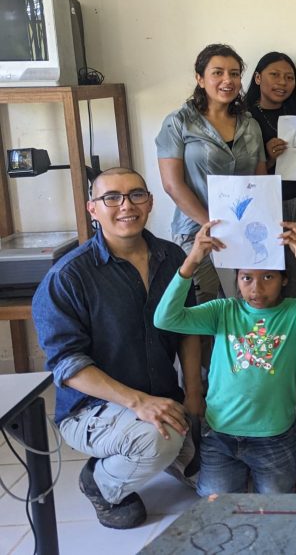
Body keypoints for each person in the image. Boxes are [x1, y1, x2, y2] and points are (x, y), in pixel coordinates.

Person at [32, 168, 203, 529]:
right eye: (112, 197)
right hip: (91, 410)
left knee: (222, 478)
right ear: (92, 209)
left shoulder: (172, 257)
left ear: (150, 202)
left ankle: (171, 449)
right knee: (160, 439)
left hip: (163, 397)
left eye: (136, 195)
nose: (126, 205)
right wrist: (139, 402)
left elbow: (189, 328)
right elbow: (68, 364)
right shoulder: (68, 277)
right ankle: (100, 483)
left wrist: (194, 395)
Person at [154, 219, 296, 495]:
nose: (256, 289)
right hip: (220, 434)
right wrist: (192, 260)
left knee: (277, 504)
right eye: (247, 278)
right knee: (216, 502)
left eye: (268, 277)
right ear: (237, 280)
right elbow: (165, 318)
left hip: (274, 436)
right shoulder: (223, 310)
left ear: (284, 279)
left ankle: (294, 445)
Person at [156, 44, 266, 302]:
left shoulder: (250, 125)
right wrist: (213, 226)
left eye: (235, 73)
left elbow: (260, 181)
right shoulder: (178, 122)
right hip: (197, 232)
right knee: (201, 309)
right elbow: (173, 185)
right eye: (218, 72)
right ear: (200, 78)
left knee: (246, 306)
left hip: (243, 231)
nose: (228, 80)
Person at [245, 52, 296, 297]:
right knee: (262, 271)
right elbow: (235, 168)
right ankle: (265, 334)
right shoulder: (243, 117)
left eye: (289, 77)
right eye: (274, 75)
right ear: (258, 77)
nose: (282, 82)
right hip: (259, 205)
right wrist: (267, 159)